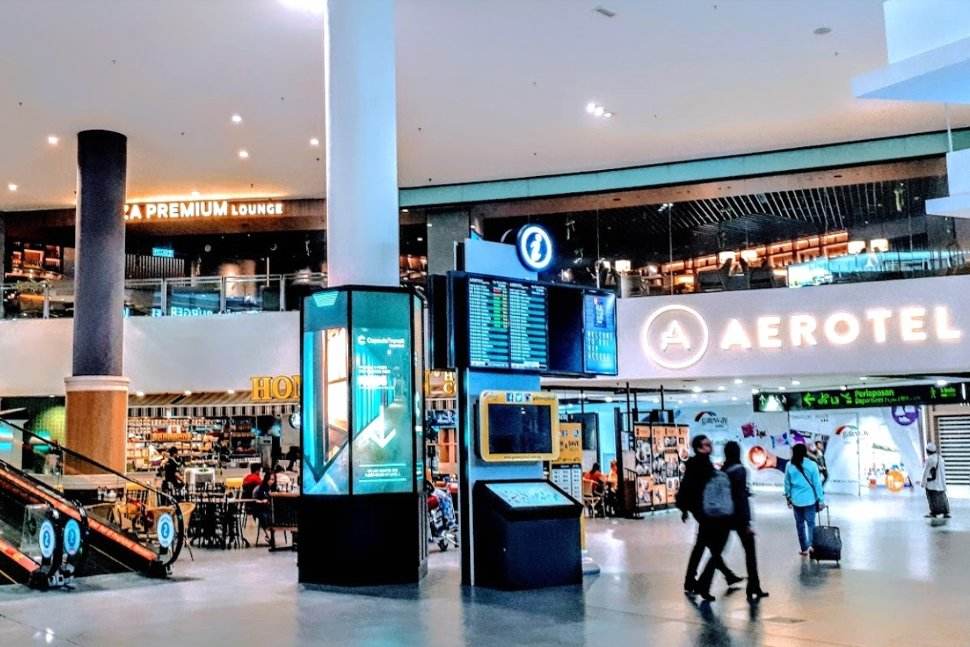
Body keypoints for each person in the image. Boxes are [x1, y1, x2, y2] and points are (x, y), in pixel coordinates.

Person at [676, 434, 742, 601]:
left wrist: (685, 509)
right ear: (699, 448)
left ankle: (694, 580)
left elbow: (686, 488)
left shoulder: (699, 463)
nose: (710, 446)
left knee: (704, 546)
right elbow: (691, 487)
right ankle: (703, 582)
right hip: (705, 511)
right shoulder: (700, 464)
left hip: (702, 510)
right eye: (706, 444)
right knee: (713, 547)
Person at [722, 441, 769, 602]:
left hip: (726, 515)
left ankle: (704, 583)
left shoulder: (724, 470)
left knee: (717, 553)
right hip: (739, 518)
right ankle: (754, 585)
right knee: (750, 552)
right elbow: (741, 498)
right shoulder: (740, 470)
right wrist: (747, 522)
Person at [784, 443, 825, 556]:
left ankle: (804, 548)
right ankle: (812, 546)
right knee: (811, 524)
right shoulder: (812, 465)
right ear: (805, 453)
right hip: (810, 500)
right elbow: (817, 484)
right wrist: (821, 500)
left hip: (796, 500)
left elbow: (787, 483)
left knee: (800, 525)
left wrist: (788, 497)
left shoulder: (789, 465)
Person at [922, 442, 950, 519]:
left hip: (932, 484)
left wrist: (923, 483)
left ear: (928, 451)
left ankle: (934, 513)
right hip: (940, 483)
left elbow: (925, 472)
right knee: (942, 498)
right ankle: (945, 512)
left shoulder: (929, 459)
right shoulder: (940, 458)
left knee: (932, 498)